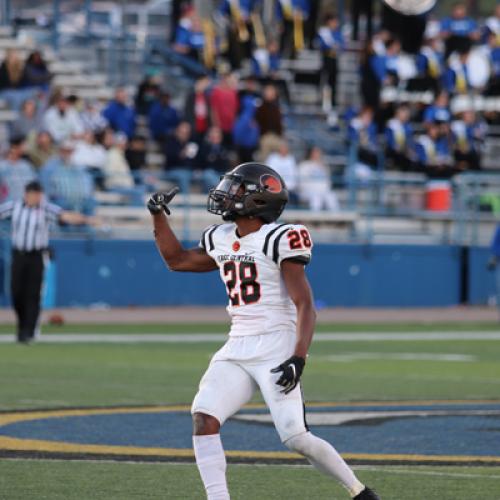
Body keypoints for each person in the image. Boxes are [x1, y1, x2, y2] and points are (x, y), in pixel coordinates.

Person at [147, 162, 380, 500]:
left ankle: (359, 492)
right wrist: (157, 215)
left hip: (276, 344)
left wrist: (298, 357)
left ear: (258, 199)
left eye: (237, 189)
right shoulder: (221, 237)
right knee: (204, 417)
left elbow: (305, 305)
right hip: (237, 343)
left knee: (295, 437)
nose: (227, 195)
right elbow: (177, 260)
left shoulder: (280, 238)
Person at [0, 181, 93, 343]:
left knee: (33, 294)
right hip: (19, 255)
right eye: (33, 194)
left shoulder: (45, 208)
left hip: (36, 256)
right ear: (26, 194)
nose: (35, 198)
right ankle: (23, 325)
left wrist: (86, 219)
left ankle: (28, 331)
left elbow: (64, 216)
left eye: (38, 194)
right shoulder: (14, 207)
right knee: (16, 292)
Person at [298, 145, 339, 211]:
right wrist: (313, 188)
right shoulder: (304, 165)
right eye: (316, 152)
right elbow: (301, 182)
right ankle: (314, 219)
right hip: (309, 191)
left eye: (319, 152)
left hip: (323, 191)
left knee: (331, 196)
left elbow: (328, 182)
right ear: (311, 153)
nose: (318, 154)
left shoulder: (324, 166)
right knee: (316, 198)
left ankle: (337, 219)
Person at [0, 137, 36, 202]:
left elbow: (34, 184)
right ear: (14, 147)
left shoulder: (26, 165)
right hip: (7, 205)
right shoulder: (2, 166)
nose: (25, 148)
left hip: (26, 205)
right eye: (23, 145)